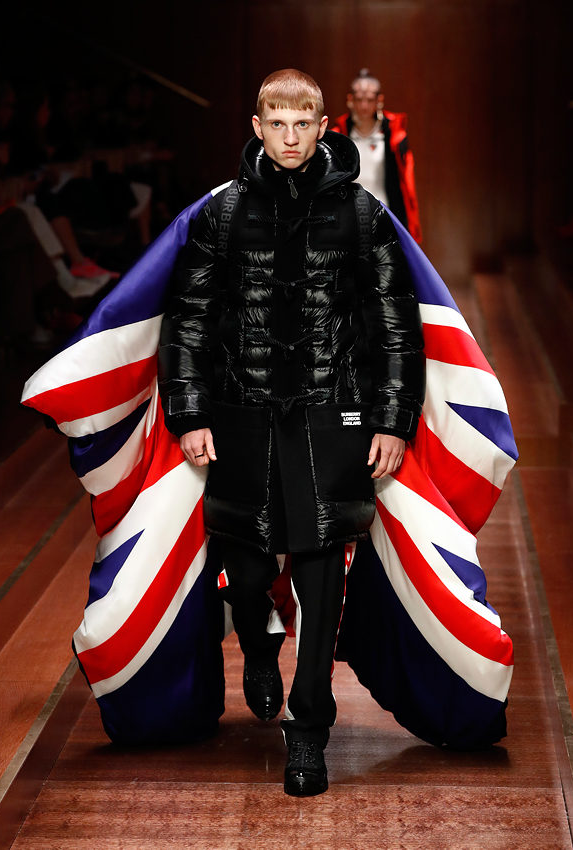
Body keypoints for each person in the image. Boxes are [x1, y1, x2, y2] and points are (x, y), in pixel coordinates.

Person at [158, 68, 425, 797]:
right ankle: (256, 643)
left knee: (320, 570)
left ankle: (309, 732)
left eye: (302, 124)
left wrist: (392, 420)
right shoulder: (223, 213)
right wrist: (190, 412)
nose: (290, 137)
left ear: (322, 127)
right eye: (276, 124)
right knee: (245, 568)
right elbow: (188, 318)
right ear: (257, 127)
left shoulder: (361, 213)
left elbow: (395, 323)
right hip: (241, 415)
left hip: (330, 413)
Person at [332, 69, 422, 243]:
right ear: (350, 100)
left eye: (369, 100)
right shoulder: (339, 135)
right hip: (349, 217)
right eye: (359, 99)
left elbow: (407, 183)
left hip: (384, 213)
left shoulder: (394, 136)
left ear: (379, 100)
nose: (364, 106)